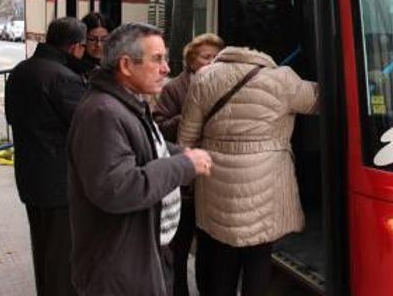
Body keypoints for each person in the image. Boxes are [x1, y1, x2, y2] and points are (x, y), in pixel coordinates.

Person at [67, 23, 213, 296]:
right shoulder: (103, 113)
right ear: (125, 65)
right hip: (119, 271)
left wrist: (179, 153)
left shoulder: (126, 102)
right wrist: (183, 166)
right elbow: (117, 188)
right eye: (157, 59)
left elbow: (145, 147)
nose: (166, 69)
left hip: (139, 258)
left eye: (166, 59)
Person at [178, 46, 318, 296]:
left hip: (215, 180)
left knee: (223, 253)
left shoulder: (205, 77)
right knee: (258, 255)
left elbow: (187, 137)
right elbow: (319, 100)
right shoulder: (282, 78)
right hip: (265, 181)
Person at [5, 17, 88, 296]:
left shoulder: (20, 70)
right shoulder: (64, 77)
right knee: (62, 258)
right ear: (76, 47)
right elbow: (85, 127)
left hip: (30, 177)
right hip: (59, 183)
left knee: (42, 248)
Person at [153, 33, 224, 296]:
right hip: (185, 186)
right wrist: (188, 117)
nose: (211, 62)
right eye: (206, 57)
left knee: (209, 249)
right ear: (191, 60)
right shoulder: (174, 89)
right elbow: (159, 128)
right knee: (179, 249)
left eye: (216, 57)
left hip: (212, 181)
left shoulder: (223, 85)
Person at [70, 12, 111, 78]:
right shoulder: (74, 68)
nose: (98, 45)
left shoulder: (114, 66)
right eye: (92, 39)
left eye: (104, 40)